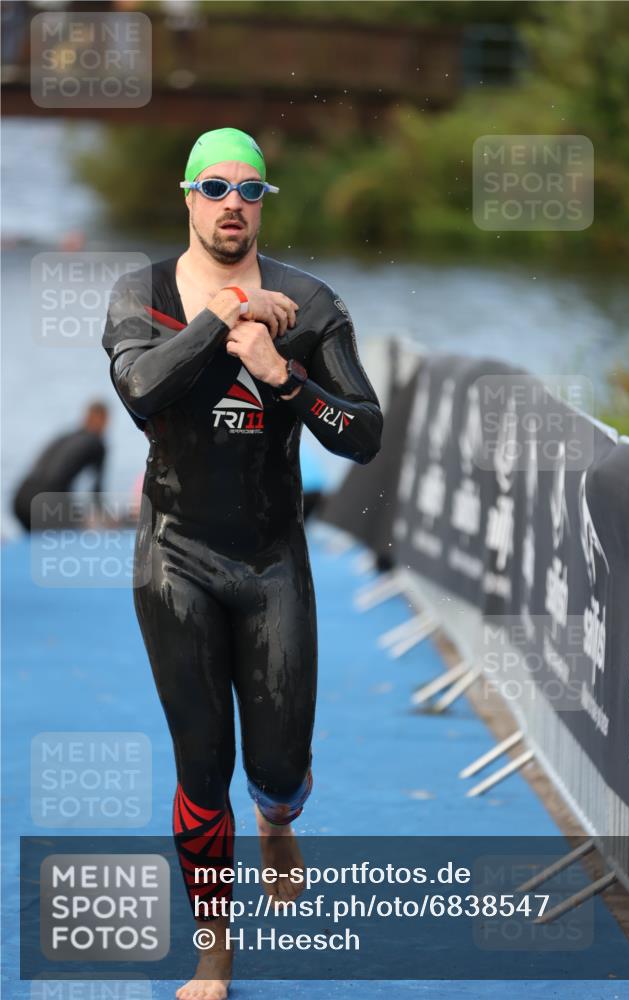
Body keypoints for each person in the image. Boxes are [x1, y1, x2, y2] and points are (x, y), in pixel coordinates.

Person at [101, 127, 383, 1000]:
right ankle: (214, 952)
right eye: (216, 188)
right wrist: (223, 314)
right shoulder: (142, 293)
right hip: (174, 554)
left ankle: (278, 815)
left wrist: (280, 374)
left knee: (278, 765)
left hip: (269, 562)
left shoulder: (310, 305)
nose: (233, 204)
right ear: (188, 197)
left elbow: (364, 435)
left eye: (250, 190)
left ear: (263, 205)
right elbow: (140, 389)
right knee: (200, 763)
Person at [12, 401, 108, 532]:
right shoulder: (97, 444)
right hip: (46, 503)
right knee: (80, 531)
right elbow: (96, 491)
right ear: (103, 421)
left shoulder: (65, 436)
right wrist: (103, 520)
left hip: (20, 499)